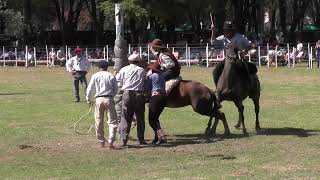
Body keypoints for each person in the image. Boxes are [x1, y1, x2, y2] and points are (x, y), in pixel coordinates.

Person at [116, 52, 147, 146]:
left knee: (125, 118)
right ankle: (141, 139)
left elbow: (118, 81)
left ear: (129, 61)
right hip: (139, 94)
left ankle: (123, 140)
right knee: (140, 118)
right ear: (138, 61)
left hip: (127, 94)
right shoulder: (142, 70)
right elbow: (144, 82)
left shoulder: (123, 69)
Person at [86, 60, 118, 148]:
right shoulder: (111, 75)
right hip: (109, 98)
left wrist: (88, 99)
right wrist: (112, 96)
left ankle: (101, 141)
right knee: (112, 121)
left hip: (99, 99)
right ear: (107, 67)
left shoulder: (95, 75)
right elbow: (116, 89)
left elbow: (90, 89)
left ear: (98, 67)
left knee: (99, 120)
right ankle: (111, 140)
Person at [146, 63, 167, 144]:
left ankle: (162, 135)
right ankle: (157, 138)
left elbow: (147, 88)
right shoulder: (162, 77)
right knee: (156, 118)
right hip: (163, 98)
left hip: (156, 97)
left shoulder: (151, 76)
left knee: (151, 120)